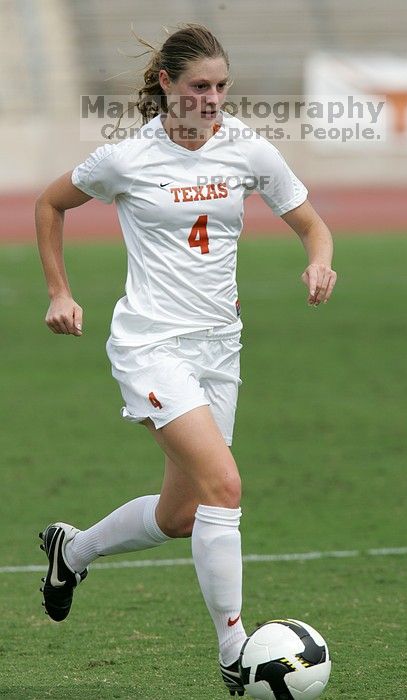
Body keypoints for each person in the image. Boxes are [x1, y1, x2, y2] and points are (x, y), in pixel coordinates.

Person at [35, 24, 337, 697]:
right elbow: (50, 203)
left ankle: (72, 551)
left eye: (221, 87)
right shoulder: (126, 159)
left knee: (183, 515)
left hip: (219, 351)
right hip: (150, 347)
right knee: (225, 488)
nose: (212, 99)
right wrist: (60, 292)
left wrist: (319, 262)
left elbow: (312, 223)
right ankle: (235, 652)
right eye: (199, 86)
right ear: (166, 85)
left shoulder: (248, 151)